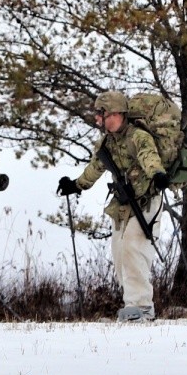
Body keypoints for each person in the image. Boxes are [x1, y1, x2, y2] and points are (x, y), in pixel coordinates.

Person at [59, 91, 167, 321]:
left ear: (117, 114)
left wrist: (157, 174)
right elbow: (95, 167)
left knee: (133, 247)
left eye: (102, 113)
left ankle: (142, 307)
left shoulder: (138, 136)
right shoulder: (107, 142)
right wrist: (77, 185)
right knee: (119, 252)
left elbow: (149, 156)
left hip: (146, 198)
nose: (97, 118)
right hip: (123, 202)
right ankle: (132, 304)